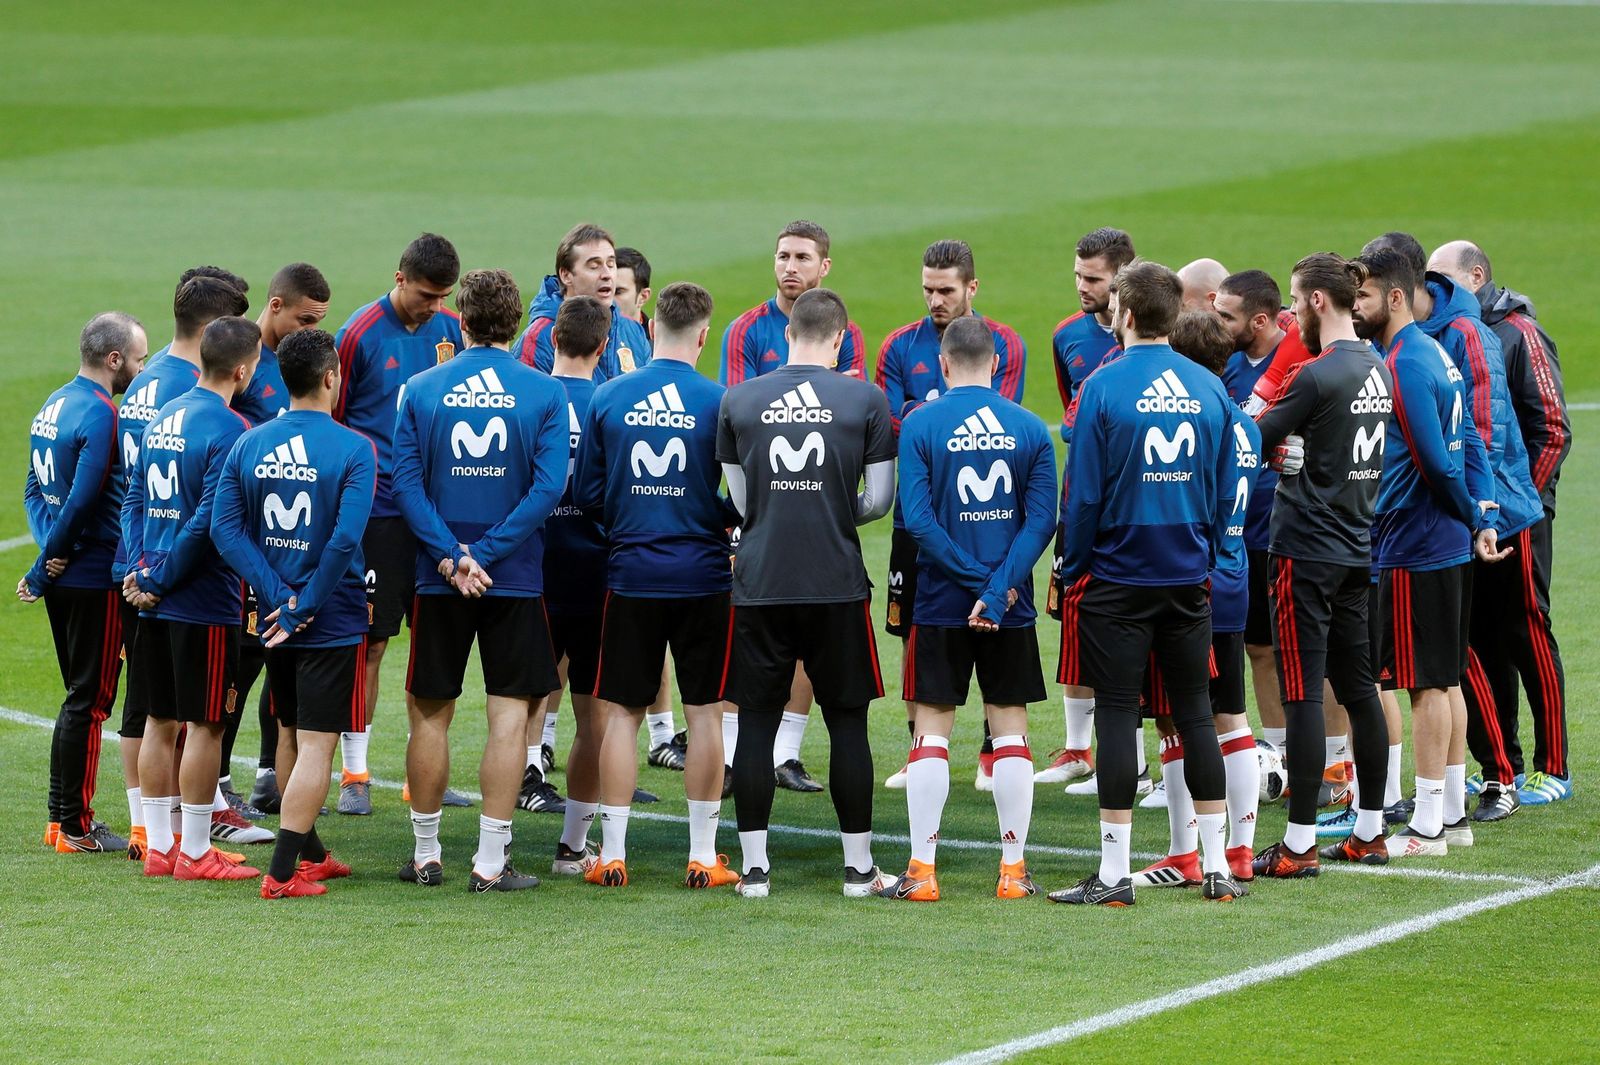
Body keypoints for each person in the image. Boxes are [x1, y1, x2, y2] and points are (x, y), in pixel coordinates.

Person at [1052, 261, 1241, 906]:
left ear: (1126, 315)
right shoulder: (1209, 386)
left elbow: (1082, 495)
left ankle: (1113, 874)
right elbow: (1225, 488)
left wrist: (1074, 564)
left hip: (1118, 574)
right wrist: (1206, 554)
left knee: (1115, 712)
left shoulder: (1103, 386)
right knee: (1194, 712)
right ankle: (1215, 865)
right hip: (1187, 574)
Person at [391, 268, 568, 892]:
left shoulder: (421, 388)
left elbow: (404, 483)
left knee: (429, 715)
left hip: (438, 579)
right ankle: (491, 862)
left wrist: (451, 556)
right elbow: (548, 488)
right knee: (509, 719)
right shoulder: (545, 392)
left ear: (461, 320)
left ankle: (425, 855)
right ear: (516, 324)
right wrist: (485, 555)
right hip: (511, 578)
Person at [718, 287, 897, 898]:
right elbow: (879, 500)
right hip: (835, 583)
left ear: (787, 334)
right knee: (848, 725)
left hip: (760, 582)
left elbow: (743, 503)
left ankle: (755, 871)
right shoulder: (865, 399)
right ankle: (859, 870)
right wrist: (833, 510)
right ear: (841, 339)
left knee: (756, 725)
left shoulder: (739, 399)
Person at [881, 316, 1056, 901]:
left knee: (932, 729)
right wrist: (998, 587)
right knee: (1009, 727)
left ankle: (922, 872)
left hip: (940, 602)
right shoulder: (1028, 426)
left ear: (945, 364)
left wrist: (975, 583)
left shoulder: (920, 423)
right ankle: (1013, 871)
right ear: (997, 365)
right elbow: (1042, 521)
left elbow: (917, 521)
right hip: (1010, 605)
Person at [577, 282, 740, 887]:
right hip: (703, 576)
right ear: (703, 335)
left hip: (631, 574)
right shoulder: (720, 401)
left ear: (650, 330)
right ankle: (702, 855)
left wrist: (630, 519)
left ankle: (613, 855)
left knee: (622, 715)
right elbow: (740, 499)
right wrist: (708, 516)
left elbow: (586, 493)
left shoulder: (609, 396)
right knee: (706, 714)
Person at [210, 327, 375, 897]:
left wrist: (276, 594)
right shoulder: (354, 449)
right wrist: (303, 602)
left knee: (287, 728)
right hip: (330, 616)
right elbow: (344, 540)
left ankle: (313, 855)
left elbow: (225, 531)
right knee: (317, 744)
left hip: (272, 618)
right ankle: (283, 874)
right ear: (331, 377)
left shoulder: (249, 442)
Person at [1353, 247, 1506, 859]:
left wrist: (1470, 512)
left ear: (1394, 296)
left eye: (1363, 296)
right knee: (1445, 680)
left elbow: (1435, 461)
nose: (1355, 307)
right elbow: (1470, 439)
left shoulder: (1404, 363)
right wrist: (1484, 514)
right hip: (1442, 541)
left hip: (1414, 541)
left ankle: (1425, 828)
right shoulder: (1435, 353)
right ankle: (1451, 815)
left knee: (1423, 687)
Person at [721, 220, 872, 792]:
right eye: (783, 256)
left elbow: (849, 415)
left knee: (807, 631)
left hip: (815, 500)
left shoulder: (844, 329)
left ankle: (785, 752)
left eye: (802, 257)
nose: (790, 266)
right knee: (757, 640)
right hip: (760, 505)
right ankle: (737, 756)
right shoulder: (745, 329)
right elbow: (735, 416)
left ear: (824, 266)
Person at [876, 239, 1027, 789]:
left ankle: (992, 751)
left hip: (990, 519)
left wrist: (929, 414)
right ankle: (920, 745)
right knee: (914, 631)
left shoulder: (1003, 342)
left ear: (971, 287)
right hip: (916, 519)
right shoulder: (898, 345)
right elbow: (890, 423)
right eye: (928, 289)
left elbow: (997, 414)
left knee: (997, 629)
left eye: (945, 290)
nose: (935, 300)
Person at [1428, 240, 1570, 814]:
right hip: (1477, 515)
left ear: (1476, 275)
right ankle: (1501, 764)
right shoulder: (1448, 334)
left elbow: (1553, 429)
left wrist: (1515, 504)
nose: (1432, 288)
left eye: (1442, 277)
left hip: (1518, 514)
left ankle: (1554, 766)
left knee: (1525, 630)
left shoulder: (1518, 332)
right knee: (1481, 637)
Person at [114, 275, 250, 859]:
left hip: (151, 593)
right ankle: (195, 852)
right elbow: (208, 521)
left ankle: (159, 846)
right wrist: (162, 576)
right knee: (207, 724)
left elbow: (133, 500)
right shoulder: (233, 429)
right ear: (241, 371)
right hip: (201, 599)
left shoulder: (164, 414)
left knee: (158, 719)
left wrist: (141, 570)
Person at [331, 233, 465, 815]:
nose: (435, 306)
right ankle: (354, 773)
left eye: (443, 297)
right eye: (426, 295)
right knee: (372, 641)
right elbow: (335, 421)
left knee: (434, 643)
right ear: (400, 278)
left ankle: (422, 773)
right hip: (380, 514)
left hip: (434, 515)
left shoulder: (453, 330)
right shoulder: (358, 334)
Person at [1132, 310, 1262, 888]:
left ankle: (1186, 852)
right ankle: (1240, 850)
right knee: (1230, 715)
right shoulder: (1246, 424)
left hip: (1191, 582)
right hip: (1234, 578)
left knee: (1179, 717)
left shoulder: (1198, 421)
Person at [23, 311, 147, 853]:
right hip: (95, 575)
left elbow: (33, 490)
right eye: (139, 359)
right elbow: (82, 499)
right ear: (114, 359)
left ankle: (59, 821)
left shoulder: (53, 403)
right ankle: (75, 825)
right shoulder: (102, 414)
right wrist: (47, 560)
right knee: (91, 700)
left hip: (65, 570)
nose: (141, 370)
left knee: (78, 695)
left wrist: (49, 553)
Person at [231, 262, 332, 819]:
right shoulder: (241, 360)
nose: (311, 329)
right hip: (251, 549)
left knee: (282, 666)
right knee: (242, 667)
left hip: (297, 544)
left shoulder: (303, 365)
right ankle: (219, 783)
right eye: (305, 319)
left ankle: (271, 776)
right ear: (275, 306)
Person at [1040, 227, 1135, 789]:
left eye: (1093, 279)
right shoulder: (1066, 335)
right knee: (1073, 615)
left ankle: (1137, 759)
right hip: (1081, 501)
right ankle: (1078, 749)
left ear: (1122, 279)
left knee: (1130, 626)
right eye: (1077, 275)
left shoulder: (1155, 332)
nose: (1082, 286)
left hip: (1133, 507)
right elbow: (1073, 413)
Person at [531, 296, 614, 870]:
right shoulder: (612, 404)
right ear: (604, 347)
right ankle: (573, 847)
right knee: (593, 717)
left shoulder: (528, 398)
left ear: (553, 339)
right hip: (598, 578)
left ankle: (495, 848)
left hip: (530, 576)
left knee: (517, 712)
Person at [512, 223, 652, 383]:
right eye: (594, 266)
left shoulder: (633, 330)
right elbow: (527, 395)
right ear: (566, 275)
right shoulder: (539, 338)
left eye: (611, 264)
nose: (607, 274)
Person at [614, 246, 654, 330]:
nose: (608, 301)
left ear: (643, 297)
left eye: (618, 292)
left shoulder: (657, 338)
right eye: (605, 290)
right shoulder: (587, 336)